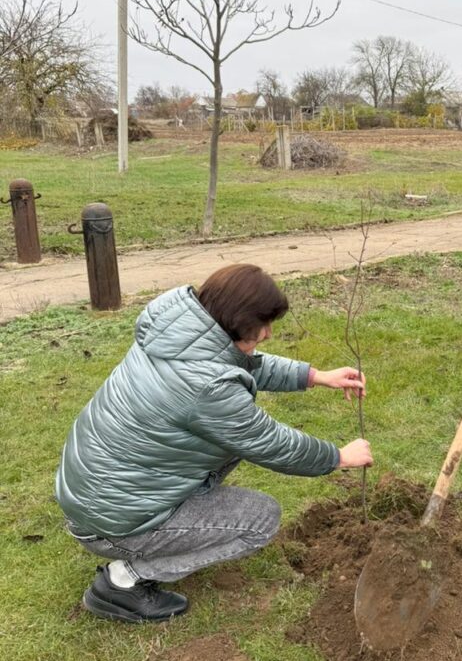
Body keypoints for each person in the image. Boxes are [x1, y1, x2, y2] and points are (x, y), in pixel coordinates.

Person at [55, 263, 372, 622]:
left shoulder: (175, 334)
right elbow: (270, 442)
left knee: (226, 457)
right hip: (112, 519)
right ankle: (123, 580)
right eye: (263, 326)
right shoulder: (207, 388)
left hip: (96, 492)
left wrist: (314, 376)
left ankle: (160, 534)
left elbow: (240, 362)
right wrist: (337, 457)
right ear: (238, 321)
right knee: (260, 520)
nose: (268, 333)